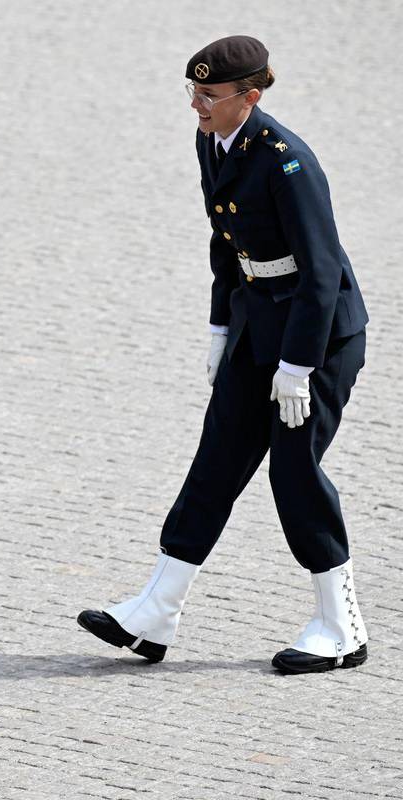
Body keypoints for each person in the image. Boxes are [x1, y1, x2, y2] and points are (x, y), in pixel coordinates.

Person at [77, 36, 370, 674]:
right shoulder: (214, 141)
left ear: (251, 96)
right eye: (193, 93)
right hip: (254, 322)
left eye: (208, 96)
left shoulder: (287, 162)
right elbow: (226, 239)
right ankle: (158, 608)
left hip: (316, 337)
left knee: (293, 473)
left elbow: (321, 274)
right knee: (215, 464)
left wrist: (297, 368)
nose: (196, 106)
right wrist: (219, 328)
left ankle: (341, 625)